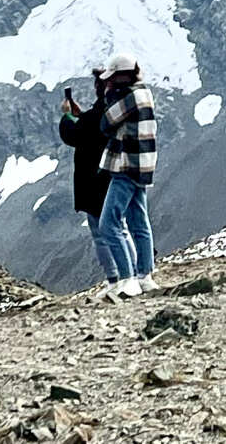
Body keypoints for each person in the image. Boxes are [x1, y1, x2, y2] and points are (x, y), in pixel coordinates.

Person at [58, 68, 134, 302]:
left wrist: (67, 116)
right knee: (120, 226)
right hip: (116, 174)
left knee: (103, 231)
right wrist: (81, 116)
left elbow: (74, 135)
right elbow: (89, 126)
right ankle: (135, 274)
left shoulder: (101, 112)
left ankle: (117, 279)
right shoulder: (116, 109)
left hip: (95, 179)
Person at [98, 52, 158, 297]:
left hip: (126, 166)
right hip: (142, 166)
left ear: (123, 76)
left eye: (112, 78)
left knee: (108, 223)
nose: (108, 82)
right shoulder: (144, 92)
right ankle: (145, 275)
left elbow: (106, 123)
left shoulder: (130, 97)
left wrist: (108, 96)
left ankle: (127, 278)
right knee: (138, 221)